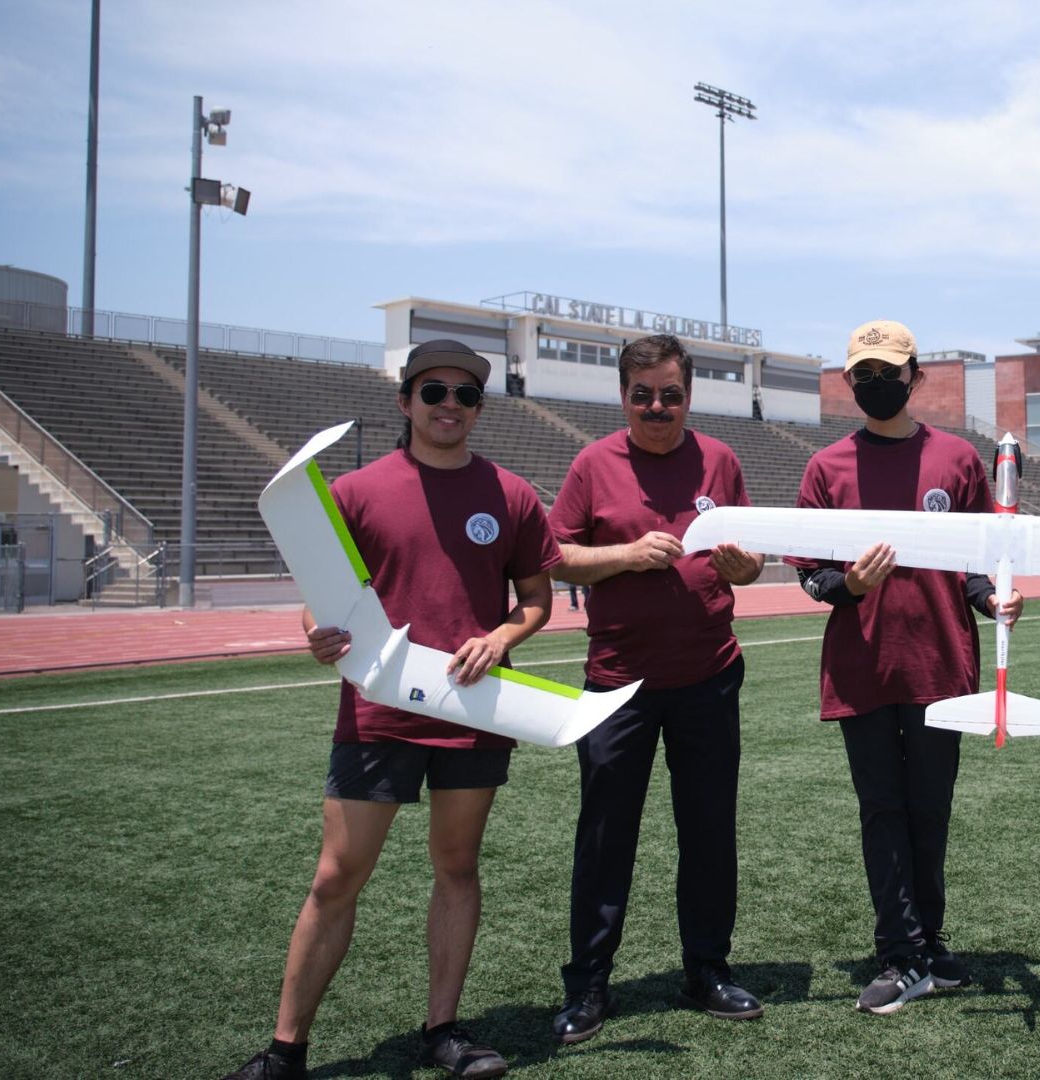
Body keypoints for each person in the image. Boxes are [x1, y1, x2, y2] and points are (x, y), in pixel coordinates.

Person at [225, 339, 560, 1080]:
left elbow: (536, 601)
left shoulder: (509, 495)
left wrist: (501, 635)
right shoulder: (355, 492)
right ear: (406, 402)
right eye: (433, 391)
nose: (449, 405)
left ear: (479, 408)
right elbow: (323, 599)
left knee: (457, 868)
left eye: (465, 395)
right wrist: (316, 634)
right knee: (337, 877)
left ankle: (443, 1031)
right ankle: (286, 1049)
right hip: (377, 713)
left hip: (472, 707)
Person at [792, 319, 1023, 1015]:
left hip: (941, 664)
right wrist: (849, 587)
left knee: (930, 810)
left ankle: (928, 942)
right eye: (863, 374)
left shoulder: (956, 459)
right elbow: (809, 575)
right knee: (883, 811)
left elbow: (981, 564)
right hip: (862, 668)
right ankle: (900, 954)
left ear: (916, 376)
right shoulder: (825, 468)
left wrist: (995, 601)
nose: (877, 384)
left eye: (889, 372)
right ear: (848, 381)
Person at [546, 333, 767, 1042]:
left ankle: (708, 969)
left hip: (709, 675)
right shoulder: (593, 463)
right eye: (643, 394)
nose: (657, 407)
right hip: (617, 685)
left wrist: (741, 566)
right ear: (623, 397)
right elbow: (557, 559)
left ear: (688, 395)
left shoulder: (720, 460)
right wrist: (626, 555)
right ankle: (588, 986)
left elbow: (753, 561)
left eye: (670, 393)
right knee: (606, 839)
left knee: (708, 832)